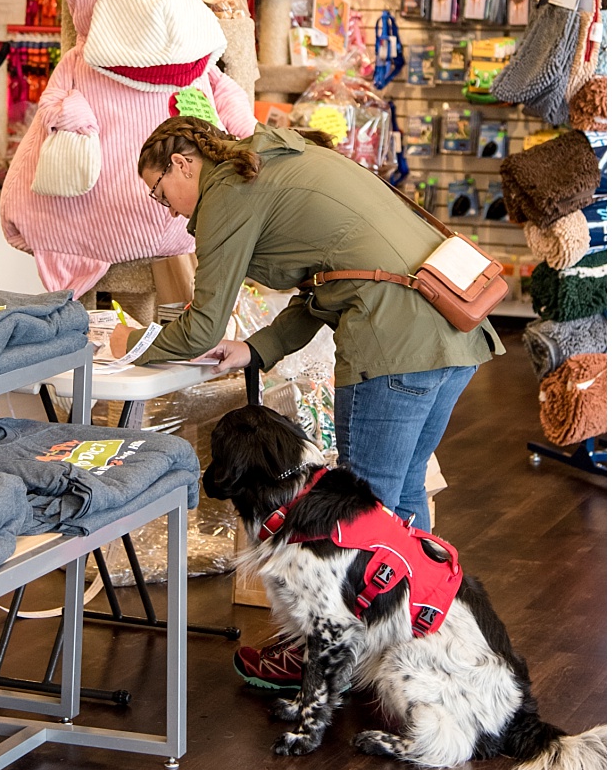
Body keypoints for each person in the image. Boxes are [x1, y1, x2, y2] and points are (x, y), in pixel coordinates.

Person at [132, 116, 503, 688]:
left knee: (359, 519)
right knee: (402, 502)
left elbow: (202, 324)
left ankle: (329, 659)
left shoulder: (229, 192)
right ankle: (415, 650)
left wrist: (130, 360)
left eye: (160, 193)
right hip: (451, 331)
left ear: (183, 163)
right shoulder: (281, 161)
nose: (169, 211)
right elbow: (323, 286)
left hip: (394, 343)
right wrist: (256, 349)